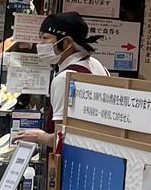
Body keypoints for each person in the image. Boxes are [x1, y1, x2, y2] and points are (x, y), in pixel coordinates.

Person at [11, 12, 109, 149]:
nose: (40, 44)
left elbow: (61, 139)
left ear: (67, 42)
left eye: (45, 38)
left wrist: (39, 136)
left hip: (73, 157)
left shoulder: (64, 79)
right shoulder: (97, 65)